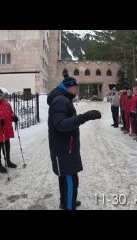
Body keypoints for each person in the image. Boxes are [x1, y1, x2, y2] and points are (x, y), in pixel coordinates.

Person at [47, 76, 101, 210]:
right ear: (67, 87)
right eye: (75, 87)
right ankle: (69, 206)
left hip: (65, 146)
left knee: (65, 177)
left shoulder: (63, 99)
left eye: (77, 87)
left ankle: (65, 202)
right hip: (64, 148)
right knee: (71, 179)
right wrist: (84, 117)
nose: (77, 90)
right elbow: (60, 124)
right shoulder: (60, 100)